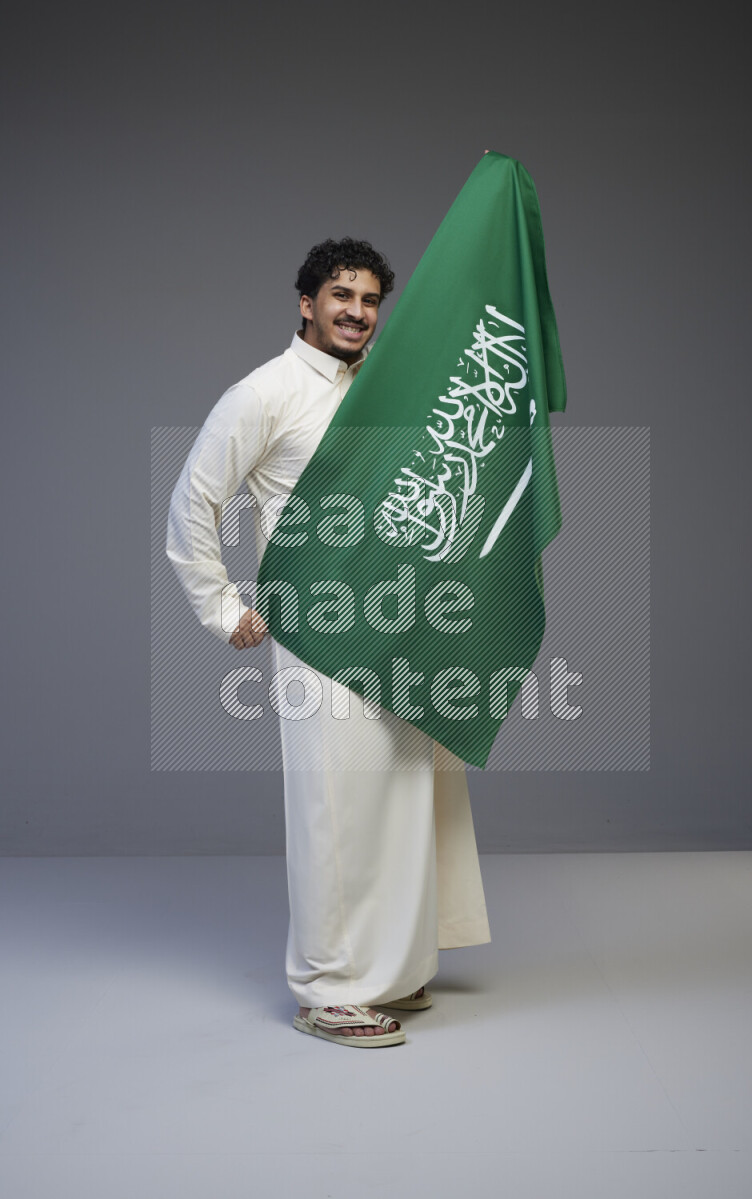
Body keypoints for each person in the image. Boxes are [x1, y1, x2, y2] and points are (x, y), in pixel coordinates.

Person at [166, 238, 490, 1048]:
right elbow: (191, 505)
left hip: (402, 620)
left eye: (371, 299)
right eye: (341, 295)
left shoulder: (384, 387)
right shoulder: (264, 393)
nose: (357, 311)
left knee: (407, 793)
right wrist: (223, 607)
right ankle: (330, 989)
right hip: (318, 626)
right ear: (306, 303)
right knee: (337, 806)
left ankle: (396, 967)